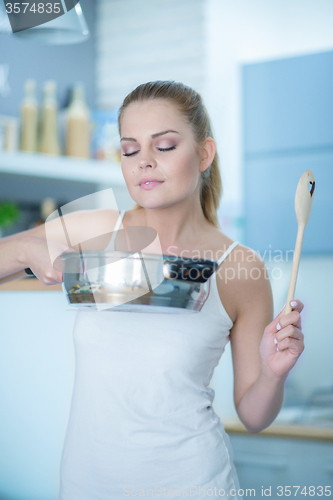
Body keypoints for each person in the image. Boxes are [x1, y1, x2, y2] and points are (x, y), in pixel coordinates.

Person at [0, 81, 304, 499]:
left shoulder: (241, 266)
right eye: (129, 150)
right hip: (86, 487)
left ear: (204, 154)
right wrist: (28, 246)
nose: (143, 162)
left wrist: (272, 374)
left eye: (163, 147)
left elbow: (254, 416)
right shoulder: (97, 227)